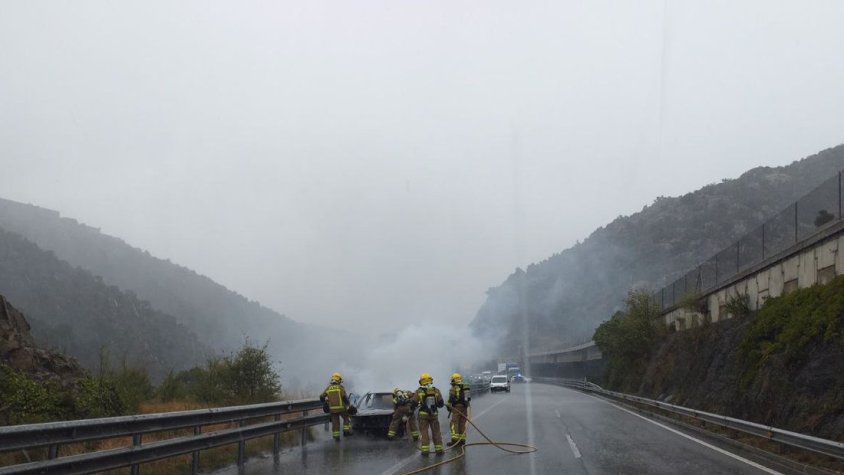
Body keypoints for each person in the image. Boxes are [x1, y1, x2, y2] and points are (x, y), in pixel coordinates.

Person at [413, 372, 445, 455]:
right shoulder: (436, 390)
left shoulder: (419, 391)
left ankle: (425, 451)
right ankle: (439, 450)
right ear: (431, 380)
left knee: (424, 432)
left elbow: (414, 403)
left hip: (423, 415)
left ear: (421, 381)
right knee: (436, 432)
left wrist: (410, 410)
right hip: (434, 415)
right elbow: (441, 404)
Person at [320, 372, 352, 441]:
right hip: (342, 409)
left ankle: (336, 437)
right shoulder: (340, 388)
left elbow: (321, 397)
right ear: (338, 379)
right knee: (346, 417)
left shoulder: (328, 388)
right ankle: (346, 432)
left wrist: (325, 402)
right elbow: (344, 398)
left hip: (332, 410)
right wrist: (349, 405)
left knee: (335, 423)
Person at [446, 372, 471, 446]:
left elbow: (451, 399)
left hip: (457, 408)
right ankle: (462, 441)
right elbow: (468, 398)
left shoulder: (453, 388)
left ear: (454, 380)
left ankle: (455, 441)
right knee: (462, 423)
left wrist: (448, 406)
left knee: (454, 423)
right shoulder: (465, 387)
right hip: (464, 407)